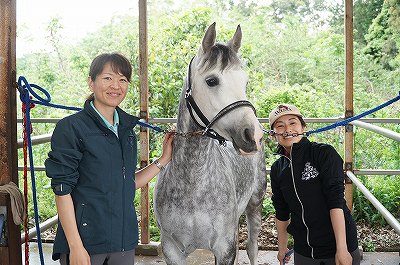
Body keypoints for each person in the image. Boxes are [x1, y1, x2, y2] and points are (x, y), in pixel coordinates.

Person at [45, 52, 174, 265]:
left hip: (123, 241)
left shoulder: (126, 131)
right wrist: (75, 246)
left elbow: (128, 183)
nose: (116, 86)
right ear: (91, 82)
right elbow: (62, 190)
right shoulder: (71, 128)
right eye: (108, 78)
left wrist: (163, 159)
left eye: (122, 80)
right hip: (87, 242)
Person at [268, 103, 360, 265]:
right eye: (280, 126)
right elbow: (281, 212)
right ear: (273, 134)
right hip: (303, 249)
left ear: (303, 127)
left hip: (337, 246)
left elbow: (336, 202)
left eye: (293, 123)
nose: (287, 129)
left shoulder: (324, 154)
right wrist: (282, 248)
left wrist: (342, 248)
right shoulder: (277, 169)